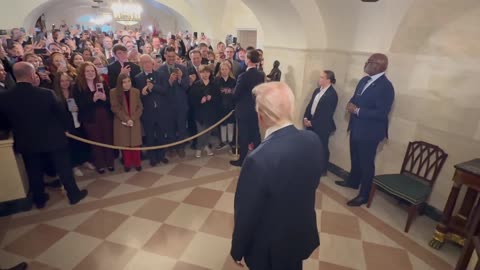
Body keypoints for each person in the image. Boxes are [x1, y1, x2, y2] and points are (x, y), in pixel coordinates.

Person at [231, 82, 323, 270]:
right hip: (299, 232)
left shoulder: (258, 158)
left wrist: (237, 249)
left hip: (269, 245)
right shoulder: (313, 139)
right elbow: (311, 183)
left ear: (261, 116)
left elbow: (247, 212)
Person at [0, 62, 88, 208]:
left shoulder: (5, 97)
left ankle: (39, 200)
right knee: (64, 169)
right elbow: (62, 115)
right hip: (54, 139)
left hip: (26, 142)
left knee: (34, 171)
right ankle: (73, 195)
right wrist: (67, 129)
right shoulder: (46, 94)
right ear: (32, 75)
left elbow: (3, 123)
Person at [335, 53, 395, 207]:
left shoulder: (386, 87)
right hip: (356, 127)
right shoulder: (364, 80)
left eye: (369, 61)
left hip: (370, 132)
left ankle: (364, 195)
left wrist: (358, 111)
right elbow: (356, 98)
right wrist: (350, 104)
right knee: (355, 157)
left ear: (379, 66)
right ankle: (353, 181)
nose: (366, 63)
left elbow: (382, 112)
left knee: (367, 164)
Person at [74, 62, 115, 174]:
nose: (90, 73)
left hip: (105, 115)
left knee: (108, 139)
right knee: (96, 141)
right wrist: (92, 100)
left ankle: (110, 162)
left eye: (92, 71)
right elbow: (79, 104)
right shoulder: (78, 86)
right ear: (83, 72)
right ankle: (100, 164)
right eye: (87, 71)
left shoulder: (102, 82)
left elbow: (110, 101)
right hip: (90, 117)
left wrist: (104, 98)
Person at [53, 72, 94, 177]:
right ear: (58, 82)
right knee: (71, 146)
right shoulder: (55, 95)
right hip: (66, 124)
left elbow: (82, 103)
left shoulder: (74, 91)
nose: (65, 83)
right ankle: (74, 166)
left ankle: (84, 161)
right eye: (62, 81)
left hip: (78, 121)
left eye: (67, 80)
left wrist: (78, 108)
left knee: (82, 143)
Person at [135, 54, 172, 166]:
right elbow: (137, 96)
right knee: (150, 136)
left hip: (161, 111)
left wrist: (153, 87)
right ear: (141, 65)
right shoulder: (138, 78)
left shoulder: (160, 75)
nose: (146, 64)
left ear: (152, 63)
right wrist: (143, 93)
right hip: (147, 113)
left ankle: (161, 156)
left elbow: (165, 90)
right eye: (144, 62)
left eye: (148, 62)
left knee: (161, 134)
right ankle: (152, 158)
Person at [230, 49, 264, 167]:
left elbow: (236, 94)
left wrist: (231, 94)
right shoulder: (261, 74)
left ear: (248, 60)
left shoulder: (243, 76)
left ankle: (242, 159)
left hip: (243, 110)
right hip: (255, 108)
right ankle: (259, 157)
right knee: (255, 133)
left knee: (243, 135)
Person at [303, 70, 338, 175]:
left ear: (328, 80)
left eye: (322, 77)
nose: (319, 79)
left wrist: (312, 123)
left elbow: (326, 114)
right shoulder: (317, 90)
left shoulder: (332, 95)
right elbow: (310, 105)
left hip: (322, 125)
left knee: (322, 147)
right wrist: (305, 118)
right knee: (311, 145)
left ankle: (322, 170)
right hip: (310, 122)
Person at [158, 46, 189, 158]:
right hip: (167, 105)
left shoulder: (183, 68)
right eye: (169, 56)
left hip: (181, 104)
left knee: (181, 127)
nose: (171, 58)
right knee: (169, 127)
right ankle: (171, 148)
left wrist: (180, 78)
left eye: (173, 56)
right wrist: (170, 82)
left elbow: (186, 86)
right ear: (165, 56)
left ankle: (181, 147)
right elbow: (160, 90)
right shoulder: (160, 70)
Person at [110, 73, 143, 172]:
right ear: (120, 83)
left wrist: (132, 118)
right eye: (124, 82)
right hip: (121, 121)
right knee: (125, 144)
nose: (127, 84)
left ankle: (137, 163)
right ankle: (127, 164)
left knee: (135, 144)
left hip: (134, 120)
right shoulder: (114, 92)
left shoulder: (136, 91)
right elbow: (115, 108)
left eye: (129, 81)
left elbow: (140, 107)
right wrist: (126, 119)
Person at [189, 65, 220, 158]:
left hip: (211, 112)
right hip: (200, 113)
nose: (205, 74)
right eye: (203, 72)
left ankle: (206, 146)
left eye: (207, 72)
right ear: (199, 73)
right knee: (201, 132)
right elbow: (191, 100)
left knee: (208, 132)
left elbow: (219, 98)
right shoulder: (196, 85)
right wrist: (199, 100)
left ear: (210, 73)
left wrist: (212, 98)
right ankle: (199, 148)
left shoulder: (214, 85)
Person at [214, 61, 236, 150]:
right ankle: (223, 140)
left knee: (230, 123)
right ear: (220, 70)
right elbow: (215, 93)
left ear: (229, 70)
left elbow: (235, 92)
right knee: (222, 124)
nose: (224, 71)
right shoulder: (216, 80)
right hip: (220, 106)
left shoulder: (233, 81)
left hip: (230, 106)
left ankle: (230, 140)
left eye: (226, 69)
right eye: (222, 69)